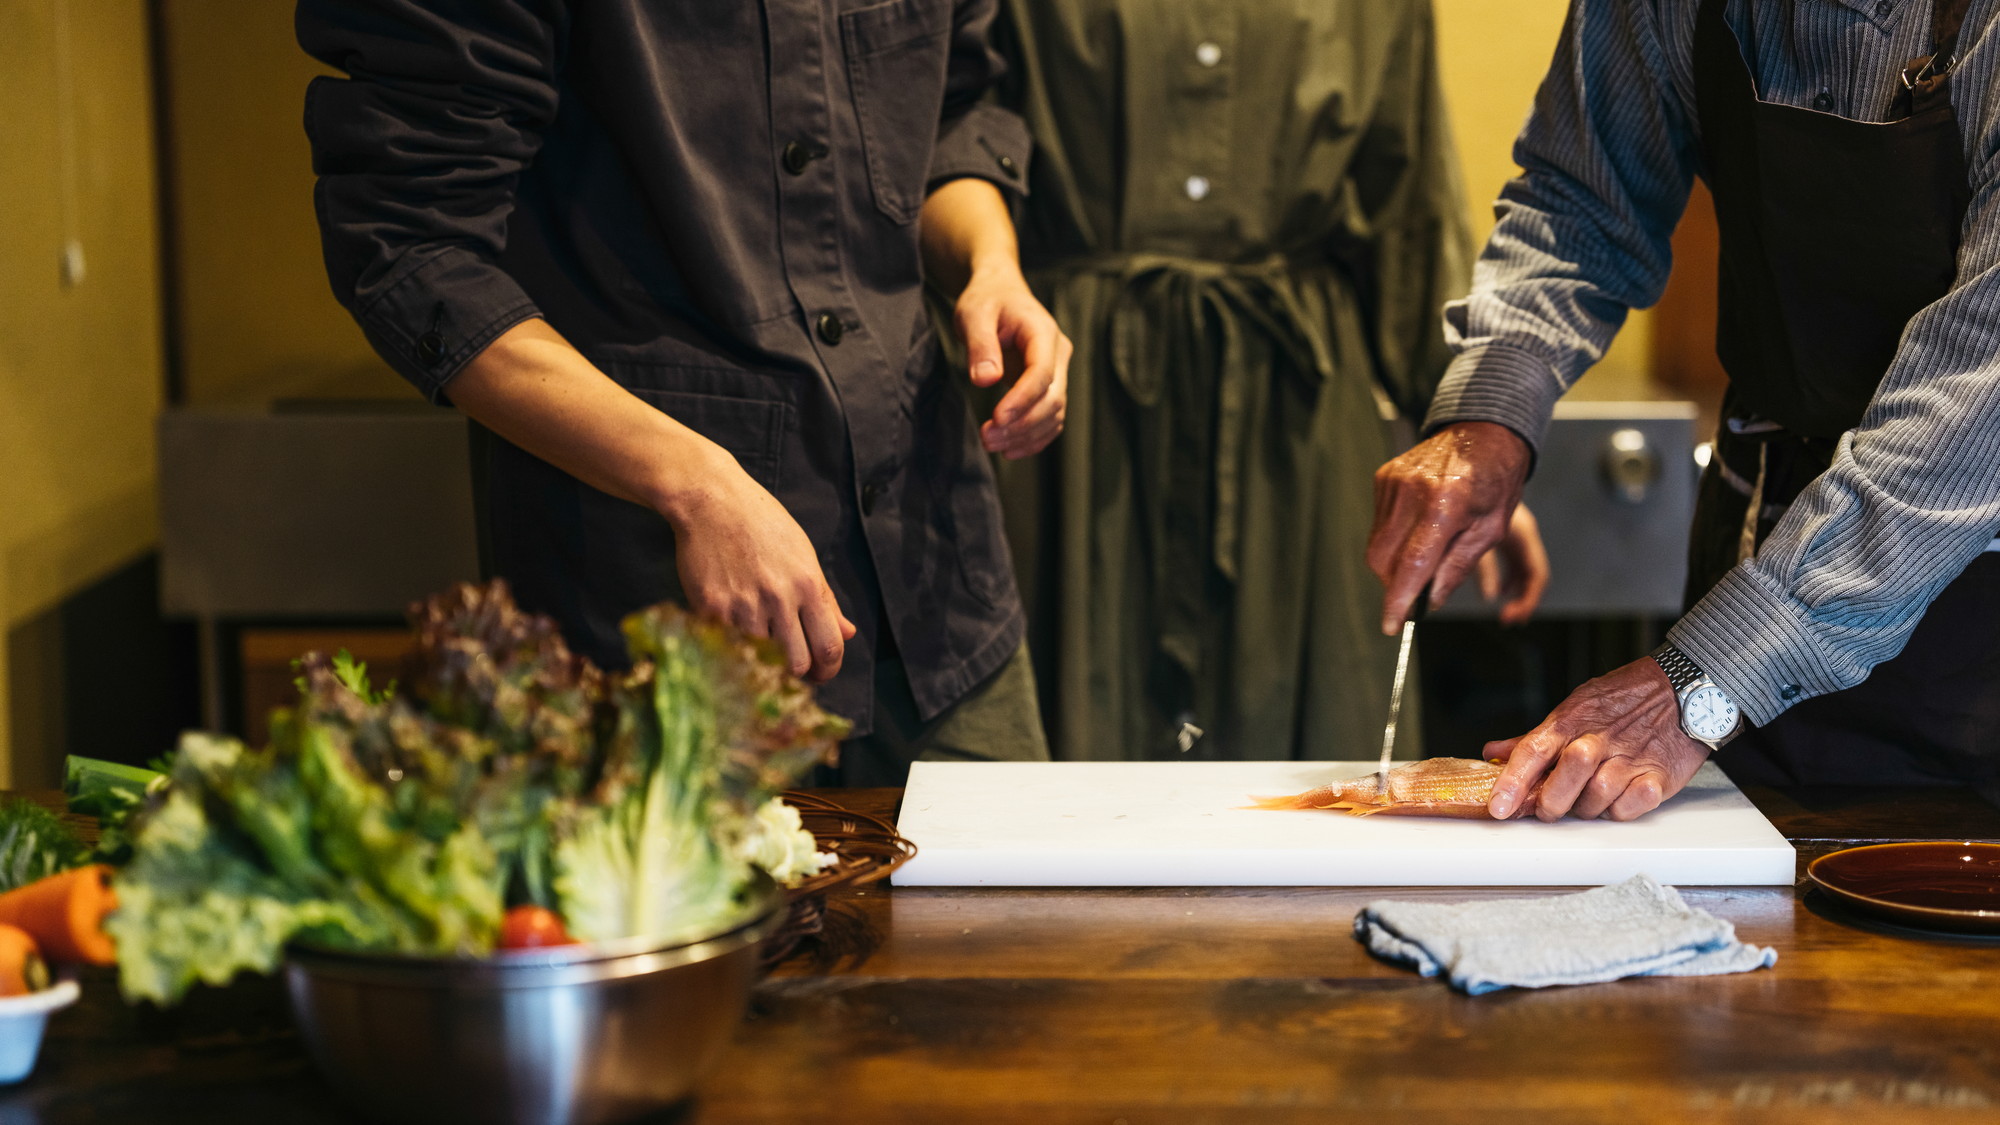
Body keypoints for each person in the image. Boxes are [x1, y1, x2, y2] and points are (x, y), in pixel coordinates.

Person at [295, 0, 1069, 785]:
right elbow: (414, 255)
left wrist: (990, 263)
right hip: (650, 628)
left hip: (941, 590)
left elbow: (947, 116)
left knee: (1021, 905)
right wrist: (694, 485)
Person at [1370, 0, 2000, 817]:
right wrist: (1489, 414)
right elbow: (1581, 202)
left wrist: (1704, 677)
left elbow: (1974, 403)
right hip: (1761, 540)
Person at [983, 0, 1549, 762]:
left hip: (1295, 424)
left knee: (1314, 771)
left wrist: (1468, 442)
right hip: (1067, 417)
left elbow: (1407, 208)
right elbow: (953, 147)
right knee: (1064, 766)